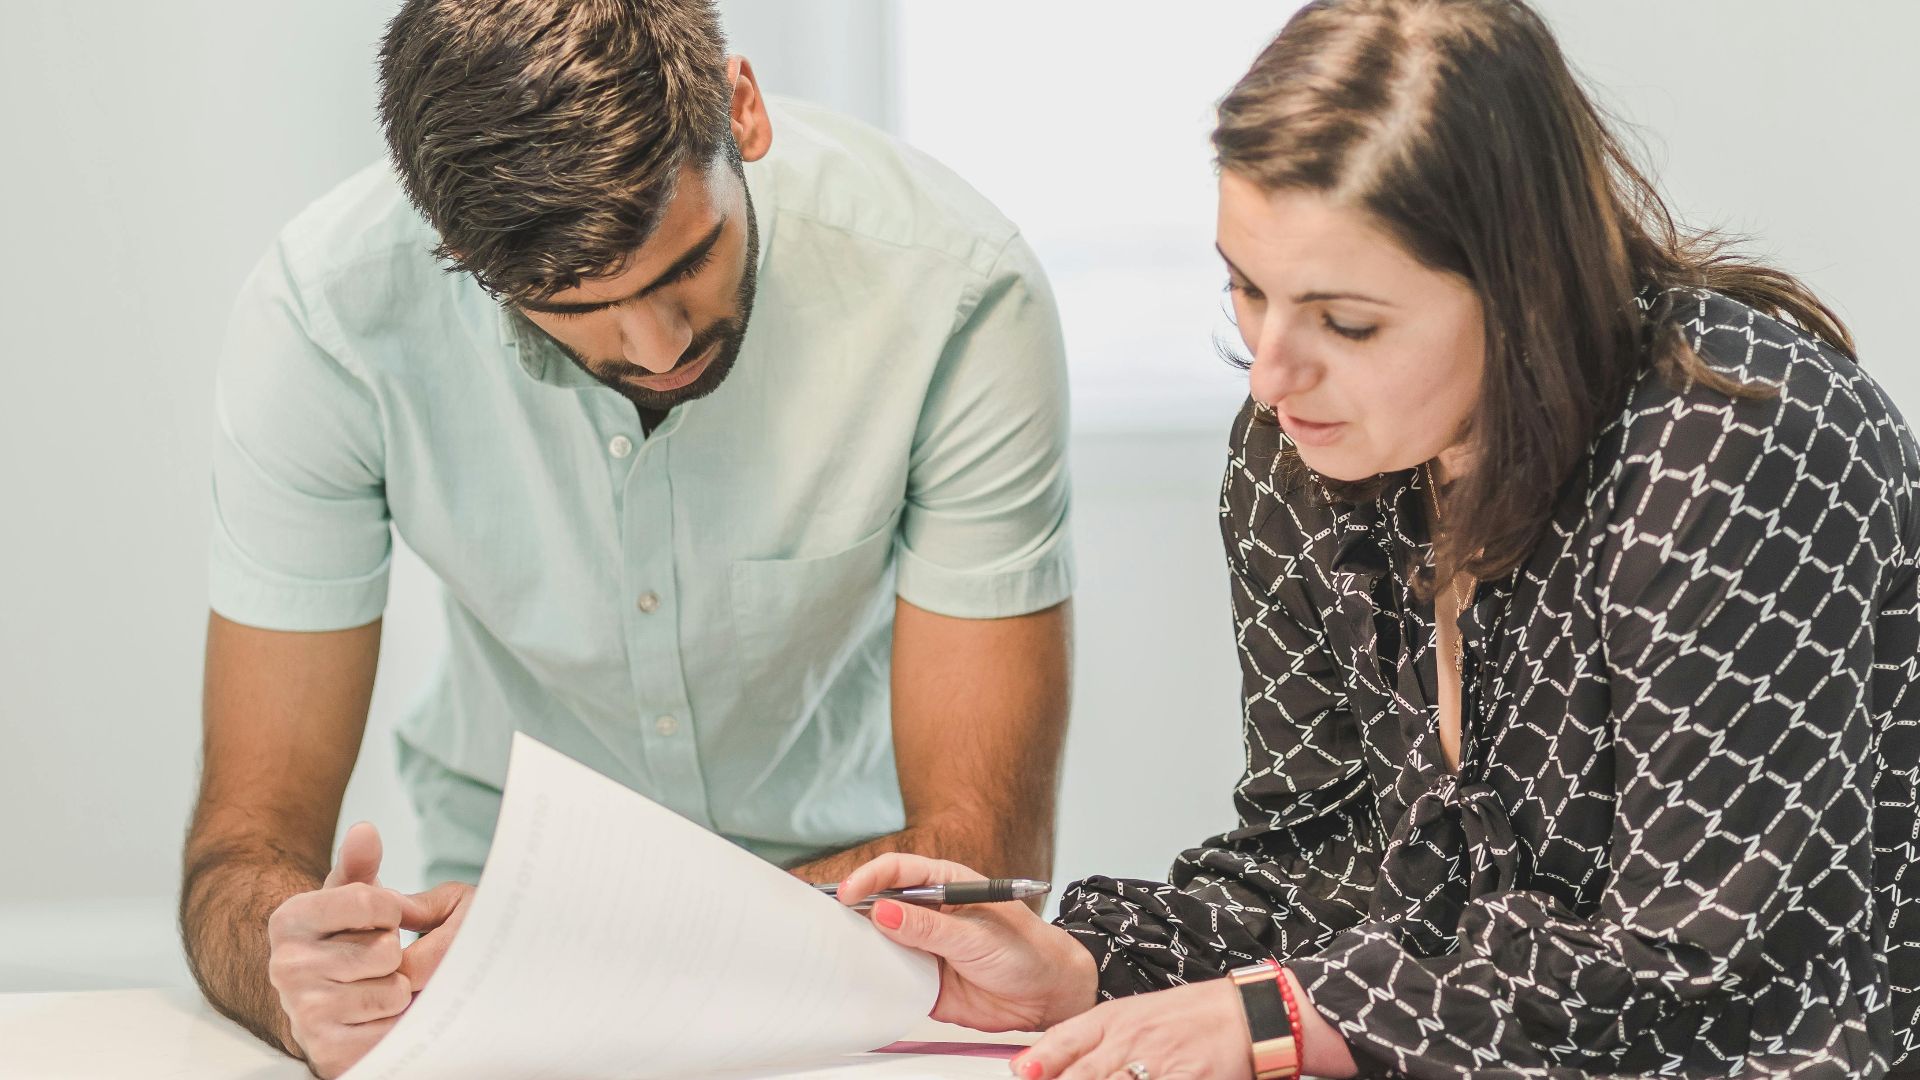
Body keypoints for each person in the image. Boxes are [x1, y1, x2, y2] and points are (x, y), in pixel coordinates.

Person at [838, 1, 1920, 1076]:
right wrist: (1087, 963)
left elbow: (1701, 969)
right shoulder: (1300, 454)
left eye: (1346, 322)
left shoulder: (1739, 450)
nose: (1271, 372)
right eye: (1246, 287)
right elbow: (1320, 870)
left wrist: (1286, 1020)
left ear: (1521, 288)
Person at [178, 1, 1074, 1074]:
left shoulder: (958, 290)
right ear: (463, 256)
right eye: (582, 305)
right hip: (494, 935)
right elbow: (242, 851)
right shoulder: (325, 319)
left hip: (859, 947)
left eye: (685, 261)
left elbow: (980, 851)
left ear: (740, 110)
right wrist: (296, 982)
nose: (661, 346)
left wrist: (571, 952)